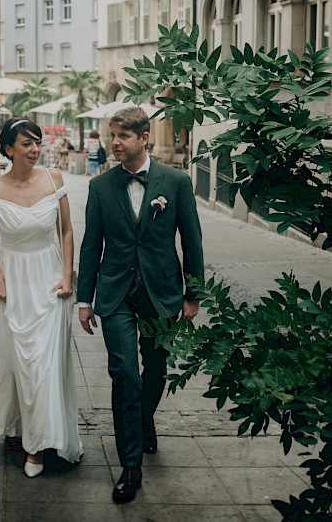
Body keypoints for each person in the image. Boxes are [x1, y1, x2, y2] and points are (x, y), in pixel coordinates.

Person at [76, 106, 204, 504]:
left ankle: (144, 419)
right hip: (114, 294)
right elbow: (90, 245)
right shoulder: (100, 187)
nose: (115, 143)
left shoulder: (176, 182)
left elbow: (192, 241)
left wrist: (193, 294)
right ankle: (130, 466)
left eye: (123, 136)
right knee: (125, 373)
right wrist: (85, 299)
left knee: (156, 369)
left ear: (144, 137)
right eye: (112, 135)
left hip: (161, 292)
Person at [0, 118, 84, 478]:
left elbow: (67, 230)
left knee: (44, 365)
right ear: (9, 149)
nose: (35, 149)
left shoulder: (55, 179)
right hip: (13, 285)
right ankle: (22, 430)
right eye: (26, 144)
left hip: (51, 282)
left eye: (37, 143)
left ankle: (37, 448)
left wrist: (68, 275)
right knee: (18, 365)